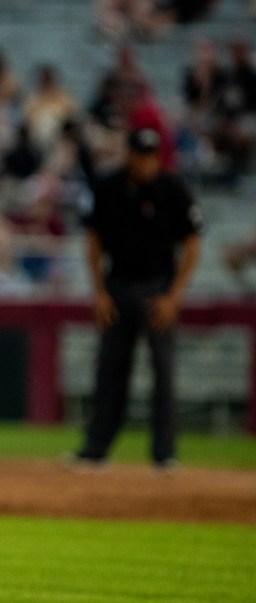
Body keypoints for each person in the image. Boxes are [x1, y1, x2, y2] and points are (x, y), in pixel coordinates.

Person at [69, 127, 202, 473]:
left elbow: (192, 244)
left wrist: (174, 296)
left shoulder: (172, 188)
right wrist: (99, 291)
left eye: (151, 155)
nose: (145, 162)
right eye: (140, 154)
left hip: (159, 288)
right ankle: (96, 449)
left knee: (163, 372)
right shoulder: (109, 186)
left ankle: (164, 454)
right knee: (110, 370)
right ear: (129, 154)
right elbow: (93, 239)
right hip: (119, 286)